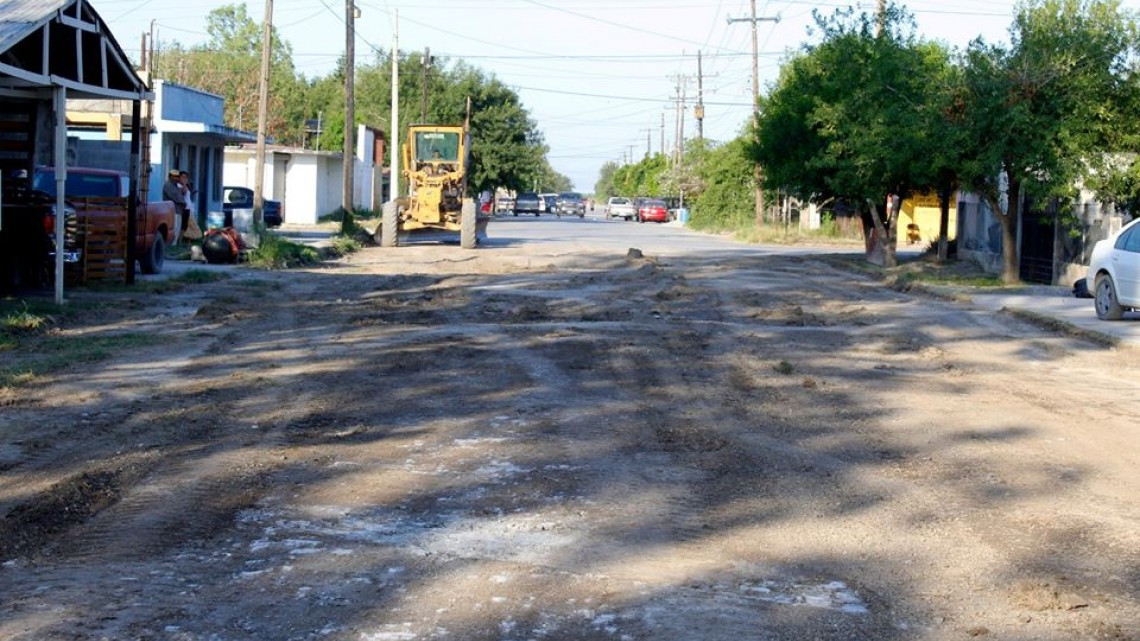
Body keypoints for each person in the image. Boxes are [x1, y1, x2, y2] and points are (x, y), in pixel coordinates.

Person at [162, 169, 187, 243]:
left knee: (178, 229)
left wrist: (183, 184)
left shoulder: (176, 186)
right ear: (170, 177)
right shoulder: (168, 185)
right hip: (172, 210)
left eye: (177, 177)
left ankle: (174, 245)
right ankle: (171, 245)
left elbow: (183, 193)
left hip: (178, 210)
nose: (176, 178)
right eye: (174, 177)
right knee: (174, 228)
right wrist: (183, 202)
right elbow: (175, 197)